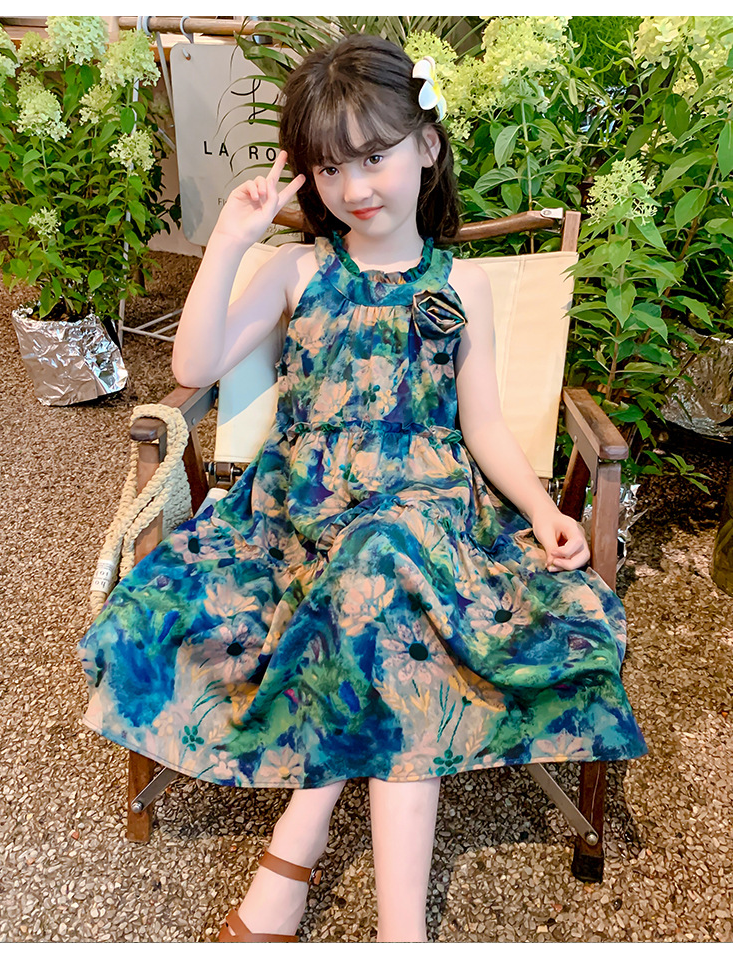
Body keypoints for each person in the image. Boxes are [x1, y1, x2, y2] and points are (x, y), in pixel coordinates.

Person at [78, 34, 647, 943]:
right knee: (373, 587)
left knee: (382, 560)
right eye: (330, 168)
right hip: (299, 514)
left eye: (375, 157)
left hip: (426, 509)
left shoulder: (462, 286)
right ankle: (394, 935)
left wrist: (544, 510)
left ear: (427, 145)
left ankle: (301, 869)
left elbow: (482, 426)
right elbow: (192, 365)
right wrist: (231, 240)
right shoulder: (298, 270)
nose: (355, 188)